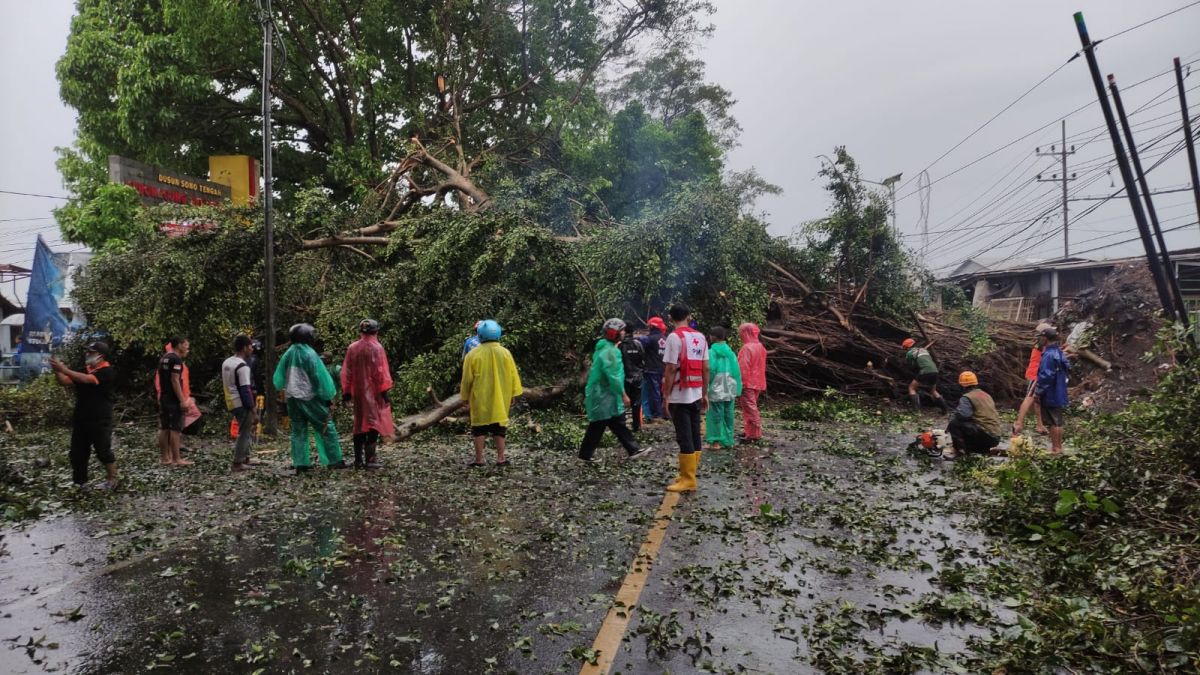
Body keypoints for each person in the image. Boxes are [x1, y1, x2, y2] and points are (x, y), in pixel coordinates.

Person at [274, 323, 347, 473]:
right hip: (310, 398)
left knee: (298, 431)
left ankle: (301, 463)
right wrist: (327, 397)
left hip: (292, 398)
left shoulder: (287, 354)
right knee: (327, 428)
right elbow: (318, 378)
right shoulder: (309, 354)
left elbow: (278, 378)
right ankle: (334, 460)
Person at [579, 319, 653, 463]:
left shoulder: (604, 347)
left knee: (614, 422)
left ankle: (633, 449)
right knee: (600, 424)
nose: (624, 333)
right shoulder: (611, 352)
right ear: (615, 334)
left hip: (603, 394)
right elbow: (614, 377)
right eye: (622, 330)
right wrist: (624, 394)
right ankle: (586, 455)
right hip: (604, 395)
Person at [50, 342, 118, 490]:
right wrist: (57, 369)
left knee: (103, 450)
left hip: (100, 417)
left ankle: (112, 479)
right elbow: (64, 381)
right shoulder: (84, 369)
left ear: (101, 356)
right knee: (77, 452)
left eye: (91, 352)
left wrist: (64, 369)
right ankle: (80, 482)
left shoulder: (107, 371)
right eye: (87, 352)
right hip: (81, 416)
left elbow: (88, 380)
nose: (87, 355)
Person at [460, 319, 523, 467]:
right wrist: (513, 394)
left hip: (479, 398)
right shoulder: (505, 353)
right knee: (499, 428)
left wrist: (464, 396)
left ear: (480, 335)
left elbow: (466, 379)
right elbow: (514, 375)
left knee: (478, 429)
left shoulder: (473, 355)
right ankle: (501, 458)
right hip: (501, 397)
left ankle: (479, 459)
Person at [662, 304, 709, 492]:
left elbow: (671, 368)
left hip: (680, 394)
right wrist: (705, 393)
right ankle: (689, 473)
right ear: (689, 317)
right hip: (696, 392)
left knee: (684, 436)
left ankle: (688, 479)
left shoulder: (674, 337)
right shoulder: (700, 336)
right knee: (694, 432)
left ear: (670, 318)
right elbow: (706, 367)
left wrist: (666, 395)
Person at [342, 318, 394, 469]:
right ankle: (370, 459)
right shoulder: (377, 348)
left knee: (359, 424)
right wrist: (385, 391)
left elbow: (347, 371)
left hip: (358, 393)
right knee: (373, 424)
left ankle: (358, 459)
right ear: (376, 331)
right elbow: (381, 372)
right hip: (373, 393)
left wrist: (346, 391)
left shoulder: (353, 348)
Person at [221, 334, 259, 472]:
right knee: (244, 432)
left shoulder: (227, 362)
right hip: (241, 403)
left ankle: (246, 457)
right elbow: (245, 390)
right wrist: (253, 410)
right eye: (250, 346)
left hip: (230, 400)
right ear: (244, 348)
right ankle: (238, 462)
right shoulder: (243, 366)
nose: (252, 349)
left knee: (246, 430)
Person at [944, 371, 1001, 459]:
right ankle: (978, 450)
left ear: (962, 385)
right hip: (995, 438)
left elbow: (963, 416)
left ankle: (959, 452)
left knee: (954, 423)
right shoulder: (986, 395)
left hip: (985, 437)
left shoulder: (967, 397)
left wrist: (950, 423)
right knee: (968, 425)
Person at [157, 336, 193, 467]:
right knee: (175, 429)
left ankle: (165, 458)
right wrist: (182, 400)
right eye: (186, 345)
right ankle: (177, 459)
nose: (187, 348)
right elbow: (175, 380)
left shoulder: (164, 358)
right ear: (179, 345)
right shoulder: (176, 359)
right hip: (173, 399)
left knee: (164, 427)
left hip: (164, 397)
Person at [705, 326, 742, 450]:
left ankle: (715, 442)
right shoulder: (730, 352)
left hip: (716, 386)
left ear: (713, 337)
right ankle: (728, 440)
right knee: (728, 414)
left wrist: (705, 387)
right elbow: (736, 371)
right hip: (730, 387)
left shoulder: (711, 352)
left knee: (715, 414)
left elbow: (710, 370)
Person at [1036, 327, 1071, 455]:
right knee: (1057, 420)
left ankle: (1056, 448)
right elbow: (1067, 367)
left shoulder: (1049, 355)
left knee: (1054, 421)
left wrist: (1038, 391)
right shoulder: (1059, 352)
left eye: (1041, 337)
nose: (1039, 339)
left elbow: (1046, 375)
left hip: (1051, 391)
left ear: (1045, 338)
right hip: (1059, 389)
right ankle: (1056, 447)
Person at [1012, 323, 1052, 436]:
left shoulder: (1040, 343)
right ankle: (1018, 423)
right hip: (1036, 374)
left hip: (1036, 373)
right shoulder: (1042, 344)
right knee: (1029, 398)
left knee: (1037, 400)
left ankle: (1039, 425)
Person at [737, 322, 767, 443]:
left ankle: (754, 434)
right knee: (750, 408)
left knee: (750, 409)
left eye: (741, 332)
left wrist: (740, 383)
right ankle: (749, 432)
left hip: (748, 382)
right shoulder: (761, 347)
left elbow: (742, 368)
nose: (740, 335)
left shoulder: (747, 348)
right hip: (758, 381)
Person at [902, 338, 949, 413]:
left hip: (925, 371)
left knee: (911, 388)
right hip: (935, 371)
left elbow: (911, 365)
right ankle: (945, 410)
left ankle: (916, 411)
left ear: (906, 347)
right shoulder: (924, 350)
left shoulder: (910, 353)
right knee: (933, 390)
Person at [639, 317, 668, 422]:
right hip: (663, 369)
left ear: (652, 326)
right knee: (660, 392)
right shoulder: (665, 338)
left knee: (649, 393)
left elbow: (638, 341)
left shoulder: (649, 339)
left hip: (651, 370)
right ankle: (660, 413)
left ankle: (654, 414)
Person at [619, 328, 646, 432]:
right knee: (636, 403)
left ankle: (622, 427)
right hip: (637, 377)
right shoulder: (638, 344)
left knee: (622, 403)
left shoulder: (620, 345)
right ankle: (637, 426)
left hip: (625, 377)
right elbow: (643, 359)